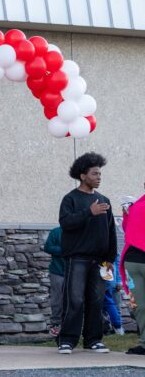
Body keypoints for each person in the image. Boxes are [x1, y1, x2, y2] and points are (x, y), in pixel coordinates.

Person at [57, 152, 116, 355]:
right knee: (75, 300)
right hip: (77, 258)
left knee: (97, 301)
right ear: (83, 176)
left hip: (100, 261)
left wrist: (110, 259)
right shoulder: (70, 199)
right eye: (94, 174)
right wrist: (89, 212)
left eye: (100, 174)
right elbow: (66, 223)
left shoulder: (104, 200)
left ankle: (93, 340)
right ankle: (66, 340)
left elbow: (111, 231)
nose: (99, 177)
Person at [120, 181, 145, 356]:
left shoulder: (136, 205)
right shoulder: (136, 206)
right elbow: (127, 229)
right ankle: (144, 343)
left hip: (133, 262)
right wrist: (127, 213)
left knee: (140, 306)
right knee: (138, 306)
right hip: (132, 263)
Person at [43, 225, 65, 336]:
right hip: (58, 271)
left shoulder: (80, 231)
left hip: (76, 272)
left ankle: (72, 326)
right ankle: (55, 325)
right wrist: (63, 250)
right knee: (57, 299)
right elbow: (48, 247)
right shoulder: (56, 232)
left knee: (76, 299)